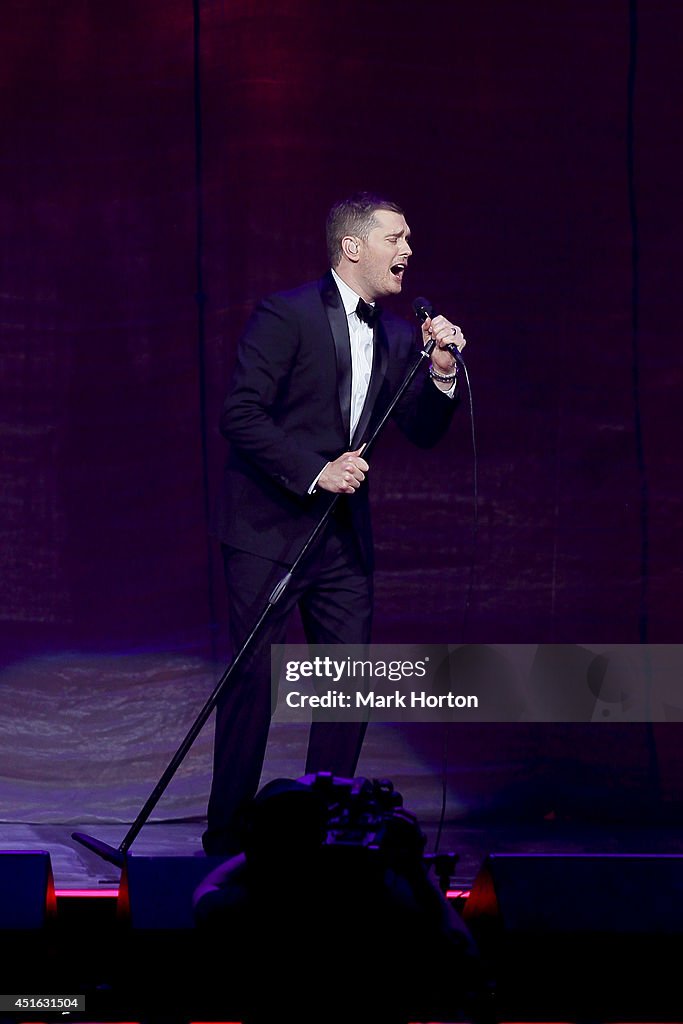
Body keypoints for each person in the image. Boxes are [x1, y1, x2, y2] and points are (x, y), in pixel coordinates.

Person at [204, 191, 467, 856]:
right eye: (395, 238)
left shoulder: (402, 334)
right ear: (353, 247)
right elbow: (240, 414)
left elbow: (422, 432)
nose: (407, 251)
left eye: (408, 240)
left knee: (346, 681)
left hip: (343, 539)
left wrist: (440, 375)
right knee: (253, 684)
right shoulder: (285, 315)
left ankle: (325, 835)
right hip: (269, 529)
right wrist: (314, 469)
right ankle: (229, 834)